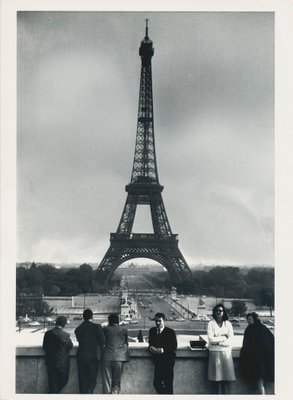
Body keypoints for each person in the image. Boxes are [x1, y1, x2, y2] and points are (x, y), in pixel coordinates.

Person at [240, 312, 274, 394]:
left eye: (250, 319)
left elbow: (246, 345)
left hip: (256, 360)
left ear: (254, 319)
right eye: (247, 319)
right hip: (266, 359)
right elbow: (272, 339)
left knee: (259, 381)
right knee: (262, 381)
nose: (248, 321)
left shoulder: (249, 329)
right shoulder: (264, 328)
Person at [74, 308, 105, 394]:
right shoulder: (97, 327)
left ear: (83, 317)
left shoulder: (78, 329)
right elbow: (102, 341)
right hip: (93, 356)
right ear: (92, 316)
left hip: (81, 356)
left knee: (82, 380)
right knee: (92, 380)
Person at [207, 304, 235, 394]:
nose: (218, 312)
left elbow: (231, 340)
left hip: (226, 354)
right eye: (217, 311)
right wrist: (223, 337)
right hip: (215, 354)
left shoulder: (228, 324)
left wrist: (218, 341)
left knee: (226, 378)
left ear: (224, 312)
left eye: (221, 310)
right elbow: (211, 339)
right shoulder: (211, 324)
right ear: (214, 312)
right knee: (217, 378)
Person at [148, 312, 177, 394]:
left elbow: (174, 346)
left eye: (159, 321)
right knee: (156, 383)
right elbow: (150, 343)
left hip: (168, 362)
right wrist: (151, 348)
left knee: (168, 385)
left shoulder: (170, 332)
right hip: (158, 362)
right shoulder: (152, 331)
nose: (157, 323)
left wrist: (161, 350)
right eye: (156, 321)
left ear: (164, 320)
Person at [42, 315, 73, 393]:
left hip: (51, 362)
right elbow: (70, 346)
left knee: (52, 383)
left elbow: (44, 347)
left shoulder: (48, 333)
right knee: (64, 380)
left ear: (56, 323)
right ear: (64, 324)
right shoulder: (66, 335)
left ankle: (53, 394)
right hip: (62, 362)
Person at [102, 313, 129, 394]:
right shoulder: (124, 329)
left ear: (109, 321)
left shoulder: (105, 329)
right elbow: (127, 344)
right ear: (118, 321)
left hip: (107, 356)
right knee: (116, 382)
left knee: (107, 381)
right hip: (119, 358)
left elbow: (102, 342)